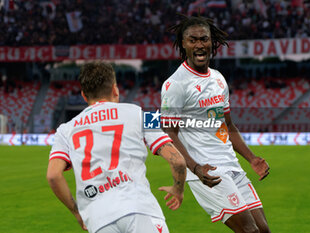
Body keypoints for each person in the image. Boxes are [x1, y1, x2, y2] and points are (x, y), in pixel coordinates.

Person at [161, 15, 271, 233]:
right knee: (250, 231)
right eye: (192, 40)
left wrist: (251, 158)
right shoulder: (175, 84)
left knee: (263, 230)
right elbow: (169, 133)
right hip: (207, 170)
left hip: (232, 166)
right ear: (183, 44)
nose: (199, 45)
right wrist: (195, 168)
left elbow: (228, 126)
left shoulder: (218, 79)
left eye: (204, 39)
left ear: (212, 42)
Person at [47, 62, 186, 233]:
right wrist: (178, 190)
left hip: (98, 219)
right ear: (115, 89)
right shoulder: (142, 114)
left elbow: (53, 176)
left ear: (84, 95)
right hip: (139, 208)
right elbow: (178, 161)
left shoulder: (65, 130)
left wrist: (77, 213)